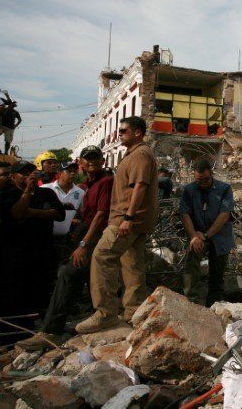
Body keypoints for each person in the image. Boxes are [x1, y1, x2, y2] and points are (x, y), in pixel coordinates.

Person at [16, 146, 114, 350]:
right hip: (82, 235)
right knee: (75, 278)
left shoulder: (105, 182)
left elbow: (100, 215)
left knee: (69, 274)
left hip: (94, 237)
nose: (92, 162)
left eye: (96, 158)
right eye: (88, 159)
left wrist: (84, 244)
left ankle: (52, 330)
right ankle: (59, 325)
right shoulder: (87, 185)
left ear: (102, 161)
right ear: (81, 163)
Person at [76, 116, 158, 334]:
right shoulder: (133, 154)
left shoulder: (140, 154)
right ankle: (133, 312)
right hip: (133, 220)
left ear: (138, 133)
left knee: (101, 257)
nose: (118, 134)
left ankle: (105, 314)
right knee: (132, 264)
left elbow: (140, 186)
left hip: (126, 219)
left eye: (123, 131)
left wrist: (128, 218)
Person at [0, 161, 65, 322]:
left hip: (42, 252)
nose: (29, 176)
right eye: (24, 173)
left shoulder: (47, 193)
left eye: (31, 173)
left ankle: (39, 322)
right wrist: (27, 191)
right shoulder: (7, 195)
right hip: (15, 254)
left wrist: (31, 212)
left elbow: (59, 214)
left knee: (41, 290)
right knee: (16, 293)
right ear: (13, 177)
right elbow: (17, 214)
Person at [180, 159, 235, 306]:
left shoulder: (224, 189)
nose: (202, 183)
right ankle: (191, 301)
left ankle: (214, 304)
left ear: (211, 174)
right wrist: (193, 236)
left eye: (205, 180)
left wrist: (205, 235)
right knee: (191, 262)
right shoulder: (189, 190)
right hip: (197, 235)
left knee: (217, 272)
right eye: (199, 180)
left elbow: (224, 215)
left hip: (219, 236)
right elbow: (185, 214)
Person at [44, 163, 85, 260]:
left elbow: (83, 213)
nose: (72, 174)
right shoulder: (46, 189)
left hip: (66, 240)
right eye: (68, 171)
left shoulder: (80, 193)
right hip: (45, 238)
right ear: (59, 173)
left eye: (74, 171)